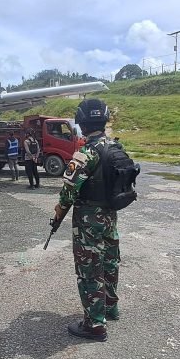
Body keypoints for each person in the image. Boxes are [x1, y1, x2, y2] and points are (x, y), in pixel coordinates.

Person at [51, 98, 119, 342]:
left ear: (82, 122)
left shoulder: (87, 153)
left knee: (90, 270)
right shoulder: (115, 147)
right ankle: (110, 308)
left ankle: (94, 325)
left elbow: (69, 191)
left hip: (89, 223)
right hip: (110, 219)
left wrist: (58, 213)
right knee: (110, 263)